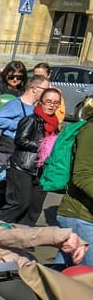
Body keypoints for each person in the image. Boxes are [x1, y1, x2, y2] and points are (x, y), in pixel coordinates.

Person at [0, 86, 63, 225]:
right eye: (49, 101)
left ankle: (24, 239)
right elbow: (20, 140)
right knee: (19, 204)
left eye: (55, 103)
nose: (52, 105)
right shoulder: (31, 119)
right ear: (41, 102)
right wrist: (44, 146)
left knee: (34, 208)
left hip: (42, 170)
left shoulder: (55, 123)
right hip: (23, 167)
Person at [57, 99, 93, 267]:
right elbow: (82, 175)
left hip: (85, 217)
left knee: (61, 274)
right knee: (86, 280)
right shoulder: (90, 131)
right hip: (81, 216)